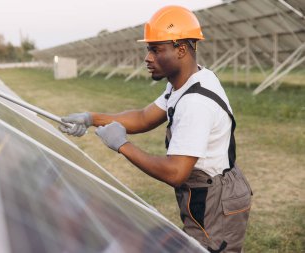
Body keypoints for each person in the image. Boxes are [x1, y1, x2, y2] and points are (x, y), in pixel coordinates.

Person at [59, 5, 252, 253]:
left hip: (215, 200)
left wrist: (123, 146)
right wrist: (91, 118)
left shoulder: (196, 103)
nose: (147, 58)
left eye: (156, 49)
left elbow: (175, 173)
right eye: (149, 49)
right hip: (204, 190)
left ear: (181, 49)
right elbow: (143, 117)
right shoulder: (183, 83)